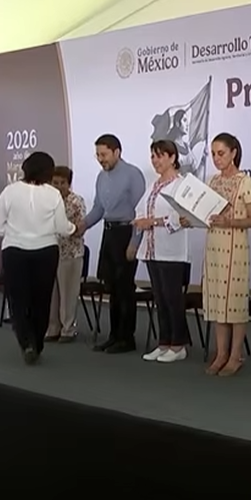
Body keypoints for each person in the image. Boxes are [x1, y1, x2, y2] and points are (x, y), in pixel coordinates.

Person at [0, 152, 83, 364]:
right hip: (45, 251)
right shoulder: (53, 195)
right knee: (42, 299)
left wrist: (14, 234)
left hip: (14, 251)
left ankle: (26, 342)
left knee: (18, 299)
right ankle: (38, 342)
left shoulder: (10, 191)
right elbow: (62, 227)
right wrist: (74, 228)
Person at [203, 133, 251, 376]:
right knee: (218, 302)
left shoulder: (245, 181)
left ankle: (235, 355)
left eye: (221, 153)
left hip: (235, 248)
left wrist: (230, 222)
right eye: (213, 154)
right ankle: (221, 353)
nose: (216, 158)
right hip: (214, 248)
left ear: (233, 153)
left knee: (234, 303)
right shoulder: (212, 181)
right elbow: (207, 214)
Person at [129, 140, 192, 363]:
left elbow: (183, 217)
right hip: (152, 250)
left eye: (159, 156)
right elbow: (140, 209)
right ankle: (164, 342)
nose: (155, 161)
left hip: (171, 251)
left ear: (172, 158)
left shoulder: (181, 185)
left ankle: (178, 345)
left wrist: (152, 222)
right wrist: (141, 221)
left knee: (173, 298)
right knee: (160, 298)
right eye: (153, 156)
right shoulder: (154, 185)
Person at [84, 134, 146, 354]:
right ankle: (114, 335)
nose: (101, 159)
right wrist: (81, 226)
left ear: (117, 152)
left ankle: (127, 338)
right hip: (109, 233)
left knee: (125, 287)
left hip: (126, 232)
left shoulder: (133, 174)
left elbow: (141, 212)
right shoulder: (101, 177)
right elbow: (98, 209)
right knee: (112, 287)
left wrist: (134, 242)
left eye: (104, 154)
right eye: (98, 155)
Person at [46, 166, 86, 342]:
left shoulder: (76, 202)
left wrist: (66, 229)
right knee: (51, 294)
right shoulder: (47, 200)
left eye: (62, 183)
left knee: (68, 294)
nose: (59, 186)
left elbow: (80, 227)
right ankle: (52, 328)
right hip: (50, 251)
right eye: (55, 183)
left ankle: (68, 329)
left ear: (69, 184)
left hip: (70, 253)